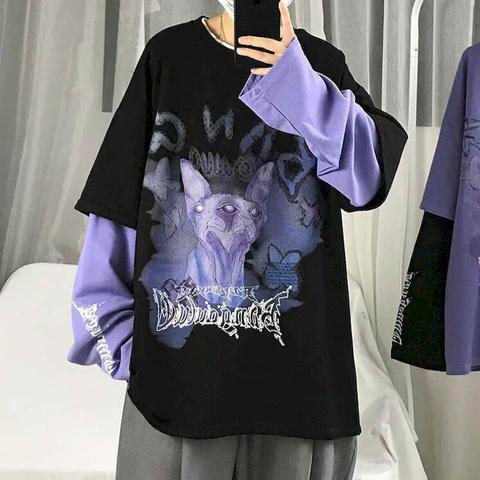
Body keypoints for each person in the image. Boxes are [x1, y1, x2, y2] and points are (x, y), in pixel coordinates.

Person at [67, 1, 408, 479]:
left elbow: (369, 180)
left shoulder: (321, 64)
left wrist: (298, 81)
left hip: (300, 395)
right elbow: (117, 199)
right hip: (176, 395)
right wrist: (123, 345)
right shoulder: (168, 57)